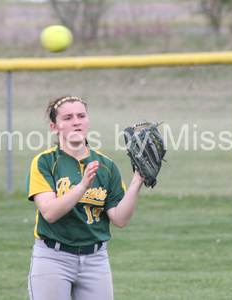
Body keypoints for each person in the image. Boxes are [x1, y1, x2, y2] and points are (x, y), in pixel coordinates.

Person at [25, 95, 144, 300]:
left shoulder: (106, 166)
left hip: (95, 260)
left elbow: (120, 219)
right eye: (68, 118)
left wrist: (137, 181)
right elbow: (50, 213)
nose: (76, 122)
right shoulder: (45, 162)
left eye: (81, 116)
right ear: (55, 127)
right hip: (53, 257)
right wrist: (82, 186)